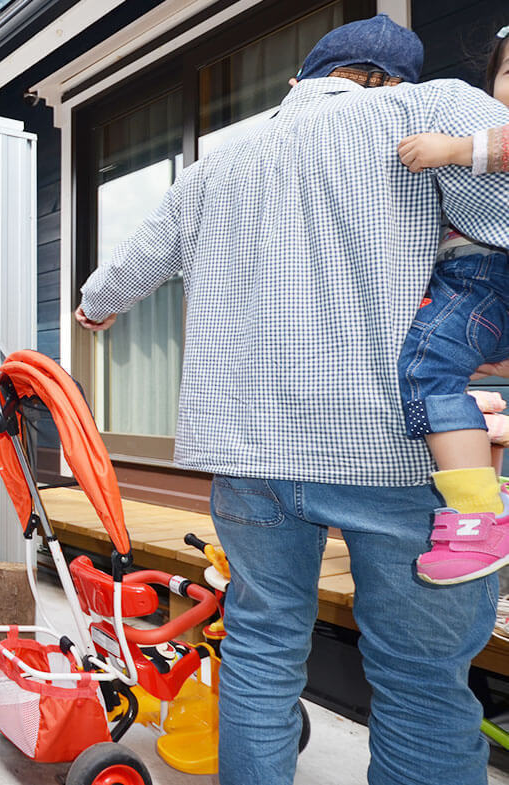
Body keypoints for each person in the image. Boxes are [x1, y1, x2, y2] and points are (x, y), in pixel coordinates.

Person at [73, 14, 509, 785]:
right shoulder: (429, 108)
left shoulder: (219, 161)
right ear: (393, 80)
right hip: (392, 446)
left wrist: (96, 306)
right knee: (417, 680)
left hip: (250, 453)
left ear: (296, 82)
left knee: (261, 650)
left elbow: (135, 260)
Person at [383, 26, 509, 585]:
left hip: (488, 270)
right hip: (476, 273)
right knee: (449, 380)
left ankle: (479, 517)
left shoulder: (471, 146)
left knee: (429, 369)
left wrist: (455, 148)